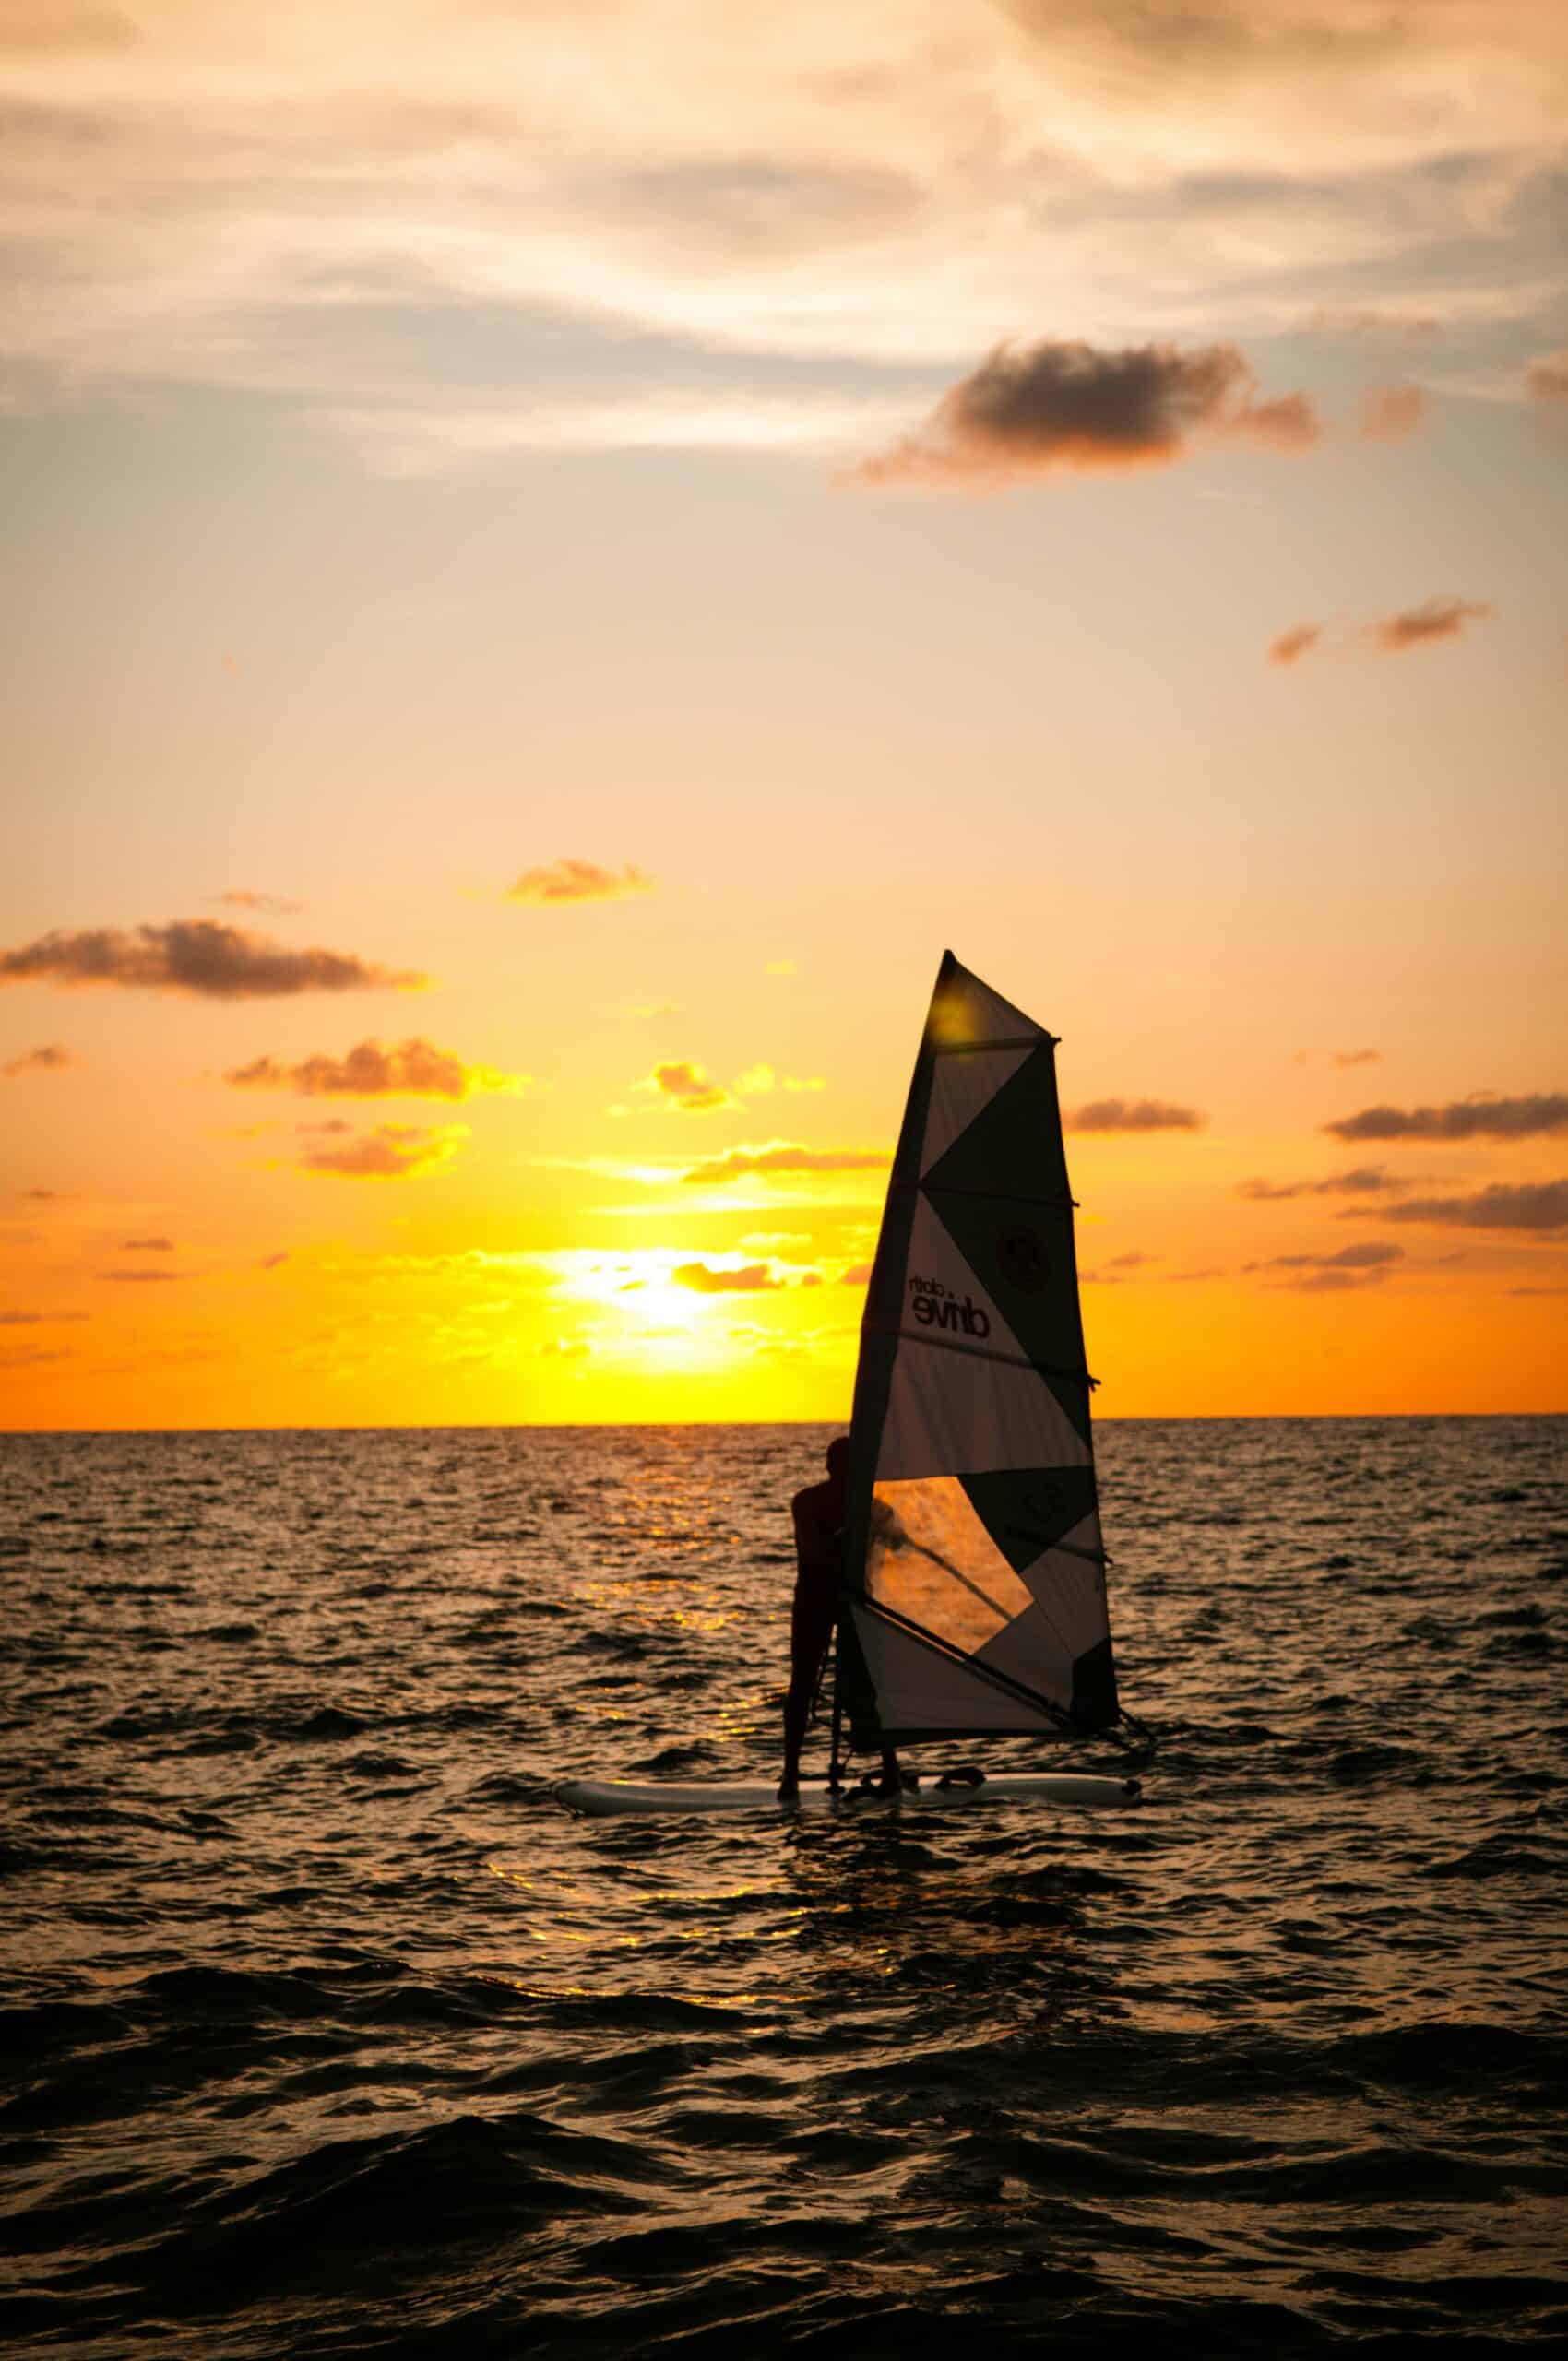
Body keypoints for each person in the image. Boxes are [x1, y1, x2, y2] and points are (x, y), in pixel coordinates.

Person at [778, 1436, 903, 1802]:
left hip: (855, 1604)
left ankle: (891, 1770)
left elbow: (898, 1543)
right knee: (801, 1685)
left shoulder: (873, 1508)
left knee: (869, 1688)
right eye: (845, 1468)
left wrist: (891, 1532)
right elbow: (814, 1551)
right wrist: (850, 1534)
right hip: (815, 1602)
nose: (850, 1475)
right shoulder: (807, 1502)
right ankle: (790, 1777)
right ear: (831, 1468)